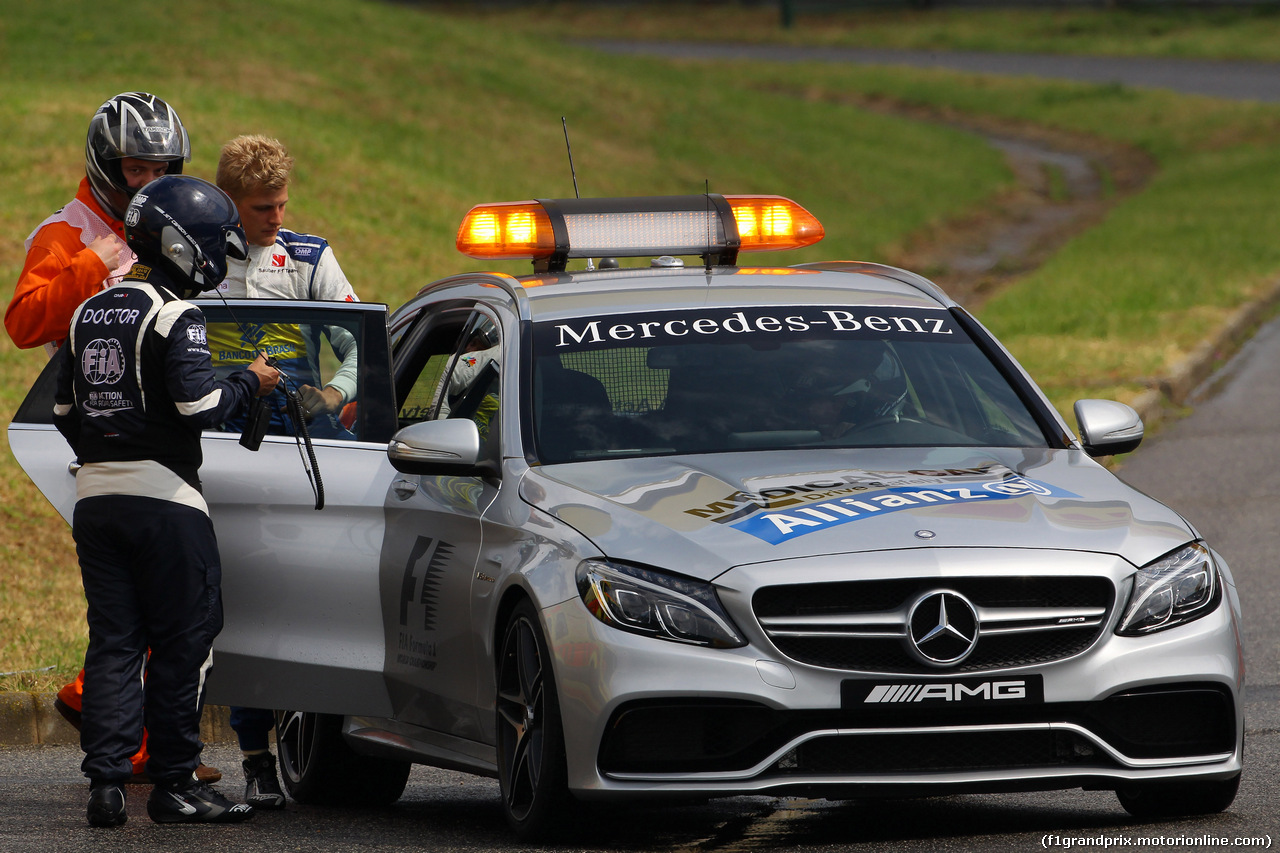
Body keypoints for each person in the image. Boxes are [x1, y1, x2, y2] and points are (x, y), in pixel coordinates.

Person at [4, 91, 224, 785]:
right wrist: (93, 265)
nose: (149, 180)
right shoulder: (67, 229)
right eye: (135, 167)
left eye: (161, 166)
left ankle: (139, 737)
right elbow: (22, 321)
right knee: (140, 606)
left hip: (171, 428)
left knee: (157, 605)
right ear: (105, 165)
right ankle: (141, 747)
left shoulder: (175, 218)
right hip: (98, 434)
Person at [208, 134, 360, 809]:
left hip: (307, 453)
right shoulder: (199, 259)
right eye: (262, 207)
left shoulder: (310, 255)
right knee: (241, 603)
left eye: (281, 204)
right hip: (226, 454)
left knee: (311, 598)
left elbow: (361, 345)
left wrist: (332, 392)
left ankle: (328, 741)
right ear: (231, 205)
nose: (276, 216)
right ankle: (253, 757)